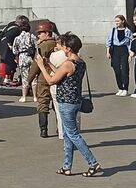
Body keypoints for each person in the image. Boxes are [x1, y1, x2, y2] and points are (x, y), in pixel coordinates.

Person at [36, 34, 100, 177]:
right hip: (76, 101)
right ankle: (67, 166)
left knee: (73, 134)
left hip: (66, 103)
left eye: (63, 46)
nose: (61, 48)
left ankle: (93, 163)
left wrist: (41, 66)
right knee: (67, 135)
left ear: (68, 49)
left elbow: (51, 80)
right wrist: (48, 64)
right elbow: (62, 74)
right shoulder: (80, 62)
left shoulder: (67, 64)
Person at [30, 23, 60, 138]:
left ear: (47, 33)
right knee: (57, 104)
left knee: (43, 103)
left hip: (44, 77)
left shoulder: (42, 46)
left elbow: (36, 64)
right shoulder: (58, 44)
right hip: (58, 76)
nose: (38, 35)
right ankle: (60, 128)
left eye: (40, 33)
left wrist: (28, 80)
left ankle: (43, 130)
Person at [106, 14, 133, 97]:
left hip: (124, 50)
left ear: (123, 21)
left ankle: (125, 89)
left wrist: (130, 55)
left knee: (125, 70)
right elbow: (109, 41)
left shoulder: (128, 31)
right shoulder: (113, 30)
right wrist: (108, 52)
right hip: (115, 50)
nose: (116, 23)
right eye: (116, 21)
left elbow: (130, 43)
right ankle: (120, 88)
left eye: (118, 21)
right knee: (117, 70)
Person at [13, 20, 37, 103]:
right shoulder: (32, 36)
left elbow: (14, 51)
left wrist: (17, 58)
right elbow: (36, 48)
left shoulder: (17, 38)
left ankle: (24, 97)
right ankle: (35, 97)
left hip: (22, 58)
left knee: (24, 78)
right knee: (34, 77)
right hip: (31, 57)